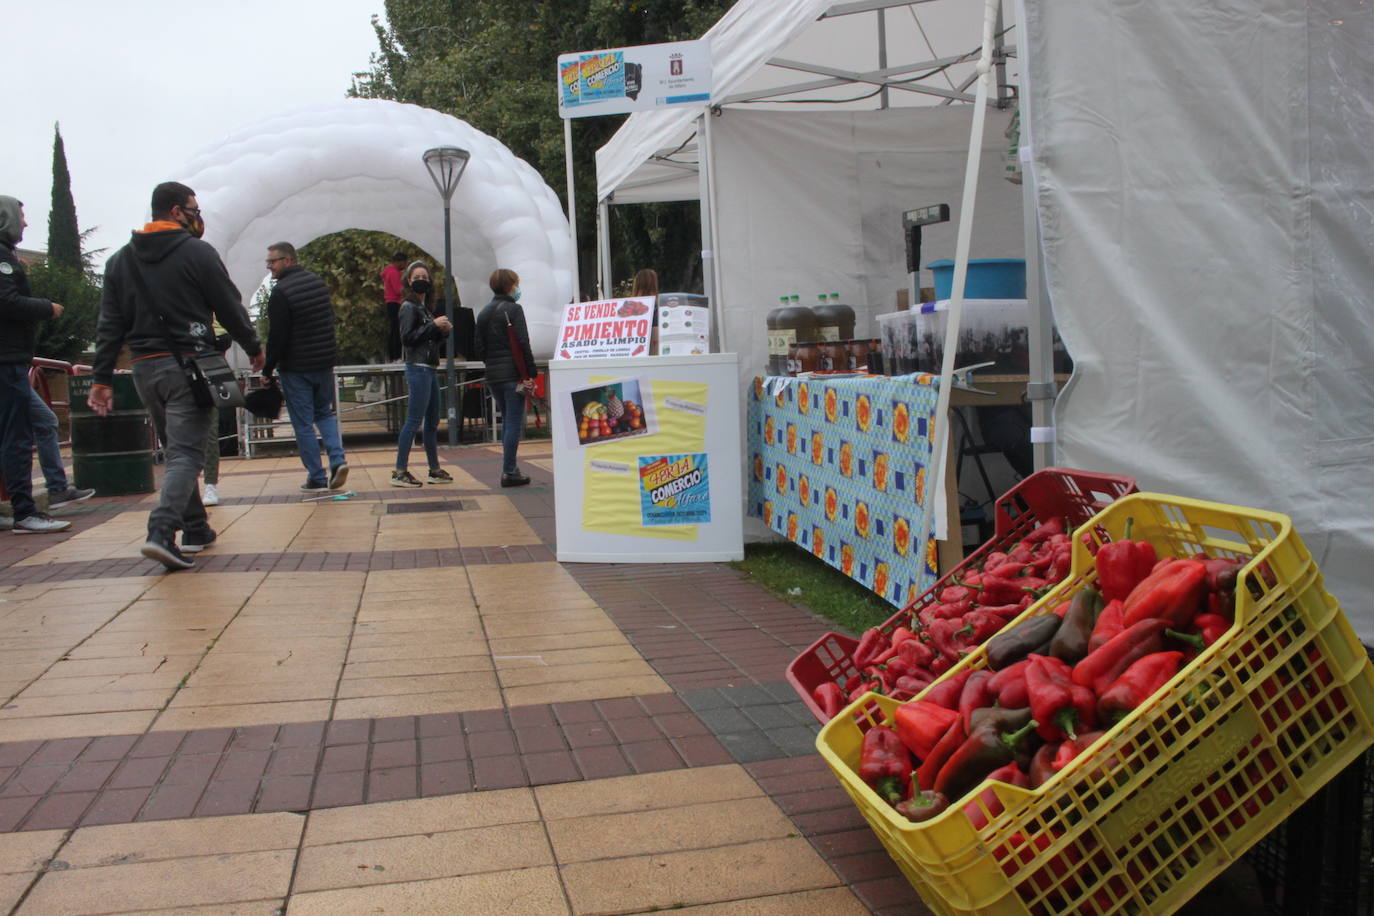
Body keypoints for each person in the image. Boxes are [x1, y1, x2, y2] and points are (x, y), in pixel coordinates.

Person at [89, 181, 263, 571]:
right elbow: (228, 304)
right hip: (188, 367)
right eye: (192, 209)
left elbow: (109, 326)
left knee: (176, 450)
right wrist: (253, 345)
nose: (197, 216)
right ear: (174, 211)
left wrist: (101, 379)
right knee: (186, 454)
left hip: (145, 369)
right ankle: (161, 532)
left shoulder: (120, 261)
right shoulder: (198, 253)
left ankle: (196, 528)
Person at [0, 196, 73, 534]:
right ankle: (25, 513)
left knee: (34, 424)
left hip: (12, 361)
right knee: (15, 438)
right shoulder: (1, 259)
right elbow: (7, 301)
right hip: (7, 362)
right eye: (22, 217)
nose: (26, 224)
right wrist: (47, 307)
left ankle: (31, 503)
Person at [261, 242, 349, 493]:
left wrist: (268, 369)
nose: (269, 266)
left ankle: (317, 477)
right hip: (323, 363)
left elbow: (277, 336)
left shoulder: (281, 292)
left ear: (288, 260)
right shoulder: (318, 283)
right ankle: (338, 459)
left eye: (272, 261)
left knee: (302, 423)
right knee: (324, 413)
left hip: (296, 366)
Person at [391, 260, 454, 487]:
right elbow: (408, 338)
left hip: (429, 367)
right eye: (417, 277)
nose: (421, 281)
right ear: (408, 281)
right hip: (417, 368)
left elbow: (426, 339)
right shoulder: (408, 307)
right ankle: (400, 470)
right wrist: (433, 325)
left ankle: (434, 469)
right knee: (414, 420)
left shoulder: (423, 308)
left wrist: (441, 331)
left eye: (425, 278)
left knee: (432, 421)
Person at [474, 268, 535, 488]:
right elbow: (523, 343)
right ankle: (509, 471)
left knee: (507, 421)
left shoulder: (483, 313)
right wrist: (530, 373)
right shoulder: (514, 309)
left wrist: (491, 363)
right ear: (510, 285)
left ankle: (511, 468)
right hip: (512, 375)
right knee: (512, 423)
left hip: (493, 376)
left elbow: (478, 348)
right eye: (516, 283)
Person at [380, 251, 405, 362]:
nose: (404, 266)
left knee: (393, 329)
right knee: (396, 329)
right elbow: (398, 289)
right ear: (399, 262)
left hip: (390, 303)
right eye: (404, 263)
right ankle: (396, 355)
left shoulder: (388, 272)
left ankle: (393, 355)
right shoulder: (394, 273)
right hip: (395, 303)